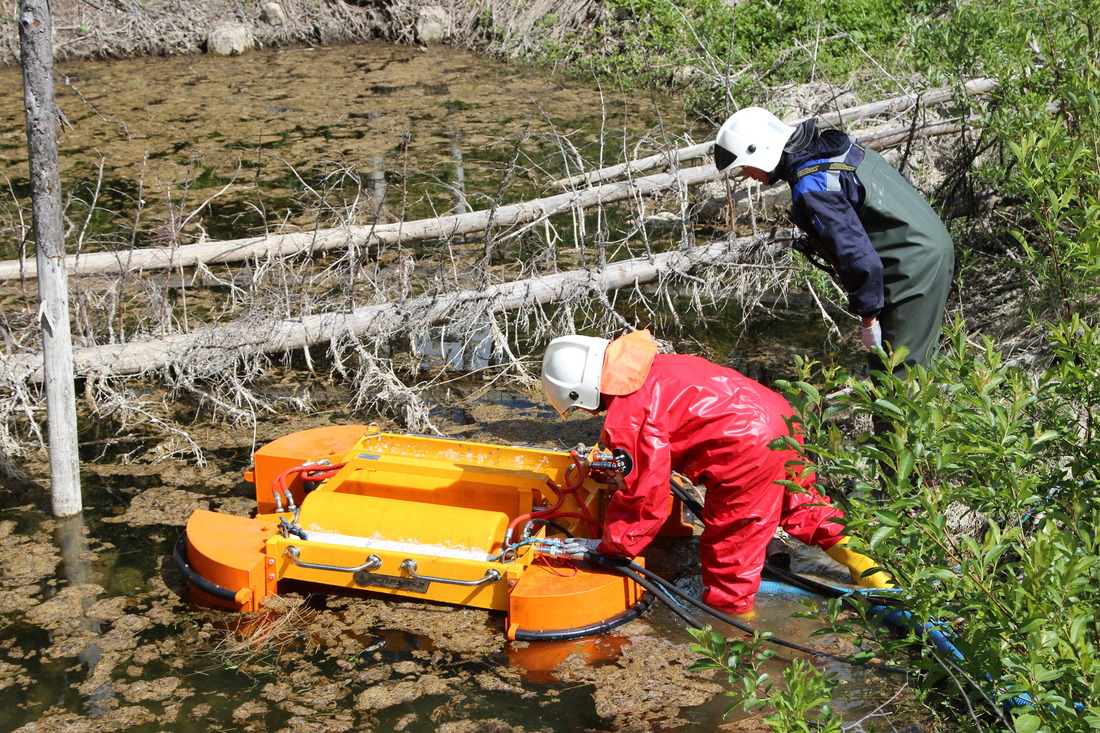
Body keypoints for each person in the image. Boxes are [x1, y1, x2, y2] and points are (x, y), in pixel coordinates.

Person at [540, 329, 891, 617]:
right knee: (800, 503)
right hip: (781, 420)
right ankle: (878, 578)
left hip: (745, 450)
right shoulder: (654, 366)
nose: (591, 413)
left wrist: (609, 547)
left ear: (581, 391)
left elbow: (645, 498)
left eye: (583, 406)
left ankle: (736, 632)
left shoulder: (631, 412)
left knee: (730, 546)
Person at [713, 107, 955, 372]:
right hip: (929, 245)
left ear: (759, 150)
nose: (748, 174)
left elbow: (856, 256)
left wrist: (869, 320)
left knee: (895, 368)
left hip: (913, 265)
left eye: (746, 166)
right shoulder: (839, 149)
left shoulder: (812, 186)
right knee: (920, 358)